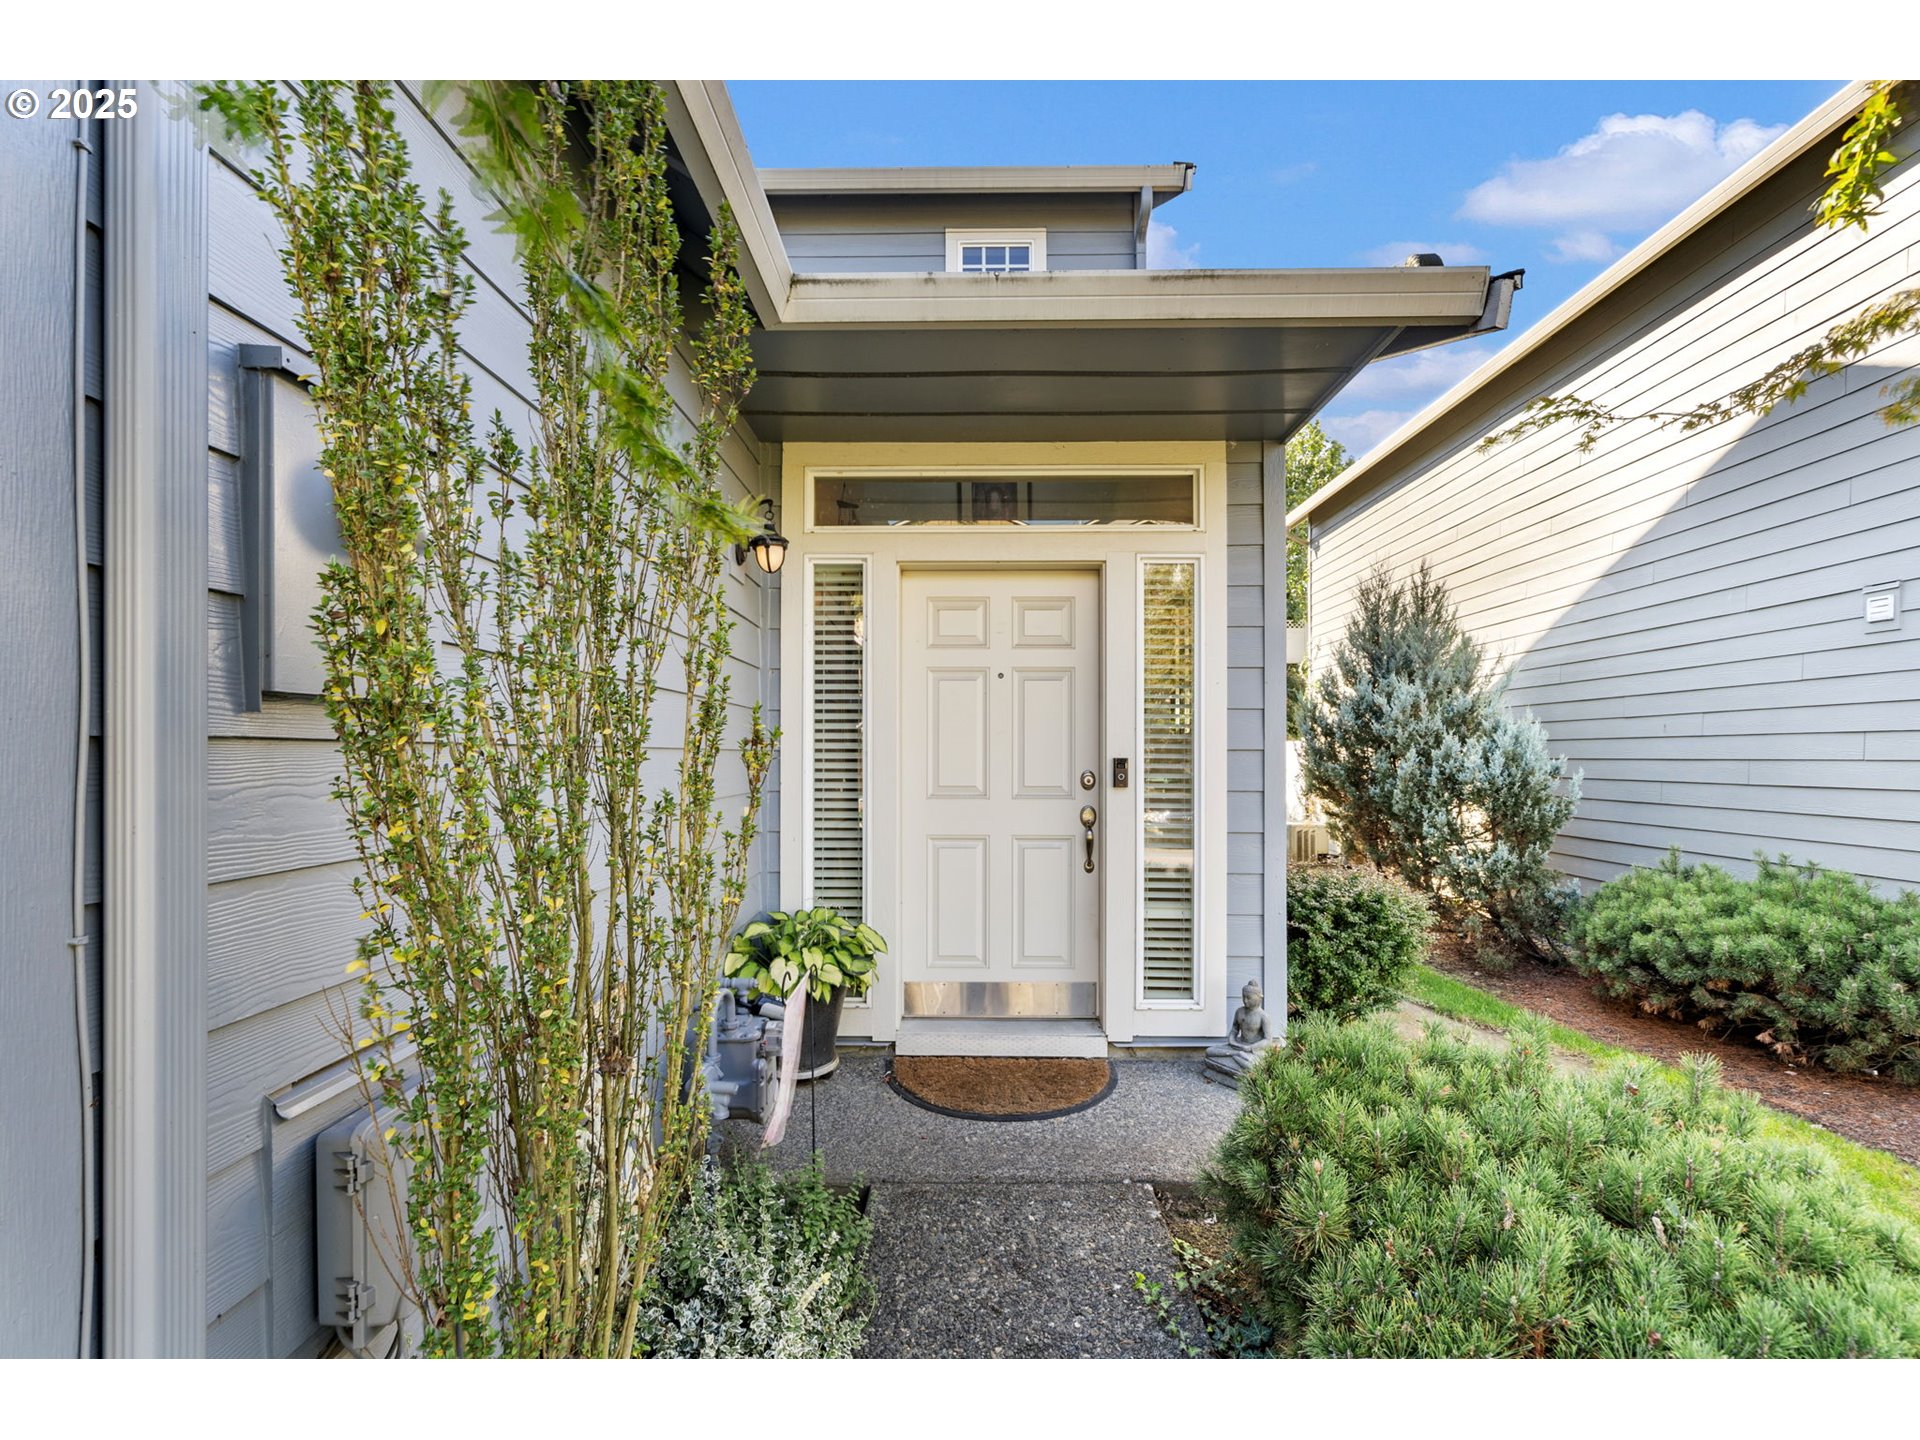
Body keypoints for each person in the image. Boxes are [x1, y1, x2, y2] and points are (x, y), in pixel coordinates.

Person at [1204, 979, 1275, 1083]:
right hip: (1238, 1046)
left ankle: (1239, 1058)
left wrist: (1250, 1047)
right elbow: (1234, 1030)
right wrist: (1232, 1040)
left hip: (1254, 1050)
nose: (1245, 1000)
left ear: (1259, 998)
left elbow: (1268, 1040)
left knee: (1251, 1066)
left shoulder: (1264, 1017)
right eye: (1243, 997)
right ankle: (1235, 1054)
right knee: (1209, 1051)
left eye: (1249, 998)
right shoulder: (1239, 1011)